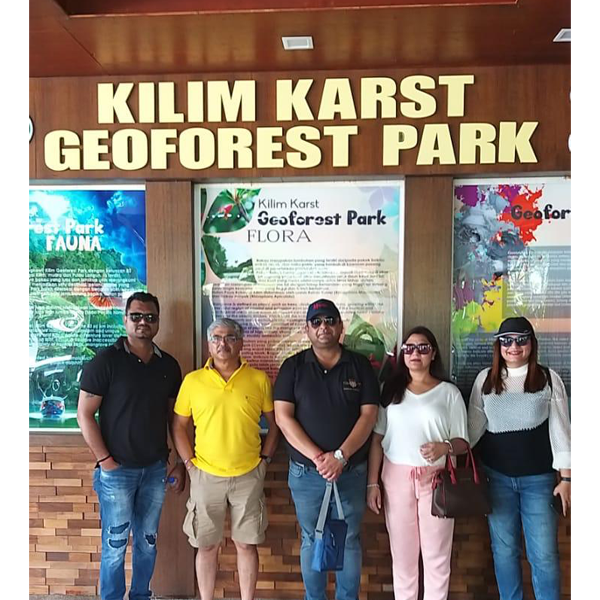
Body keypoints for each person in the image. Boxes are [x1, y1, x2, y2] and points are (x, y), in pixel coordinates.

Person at [77, 291, 184, 600]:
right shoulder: (106, 361)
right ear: (125, 320)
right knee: (114, 542)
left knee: (147, 540)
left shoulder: (169, 366)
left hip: (154, 470)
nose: (143, 323)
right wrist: (106, 460)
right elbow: (84, 415)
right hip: (117, 471)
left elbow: (173, 419)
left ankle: (141, 595)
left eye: (150, 317)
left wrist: (177, 460)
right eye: (136, 316)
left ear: (158, 322)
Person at [274, 299, 380, 600]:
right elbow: (283, 417)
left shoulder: (359, 365)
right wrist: (321, 458)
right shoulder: (293, 367)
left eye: (330, 320)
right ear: (307, 328)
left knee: (349, 540)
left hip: (351, 472)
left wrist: (341, 457)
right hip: (307, 474)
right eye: (317, 322)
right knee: (311, 539)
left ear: (340, 326)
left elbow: (369, 415)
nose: (324, 327)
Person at [171, 318, 279, 600]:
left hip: (248, 475)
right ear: (209, 344)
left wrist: (265, 460)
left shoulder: (258, 380)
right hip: (205, 475)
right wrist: (189, 465)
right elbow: (179, 426)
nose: (223, 343)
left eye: (230, 337)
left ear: (241, 343)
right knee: (206, 546)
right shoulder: (193, 381)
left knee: (247, 545)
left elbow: (275, 424)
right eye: (216, 337)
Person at [468, 316, 571, 600]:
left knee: (544, 555)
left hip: (539, 482)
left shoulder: (548, 379)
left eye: (521, 339)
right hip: (496, 480)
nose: (514, 346)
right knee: (504, 553)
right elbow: (471, 431)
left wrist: (566, 478)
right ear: (498, 345)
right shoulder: (485, 380)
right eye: (507, 340)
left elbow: (561, 432)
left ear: (531, 344)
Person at [367, 326, 469, 600]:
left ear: (433, 354)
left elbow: (464, 442)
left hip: (437, 479)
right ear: (402, 354)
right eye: (409, 348)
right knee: (403, 557)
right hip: (396, 478)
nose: (415, 353)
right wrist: (372, 483)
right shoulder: (390, 391)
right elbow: (378, 439)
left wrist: (444, 447)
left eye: (423, 348)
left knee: (437, 556)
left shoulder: (449, 393)